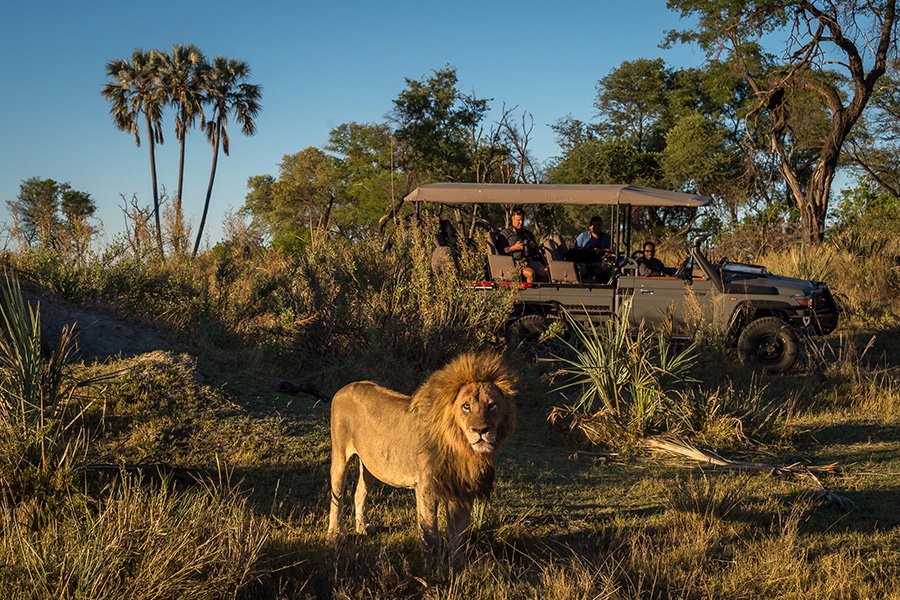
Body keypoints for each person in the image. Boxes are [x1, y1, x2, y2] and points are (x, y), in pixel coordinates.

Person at [499, 208, 547, 283]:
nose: (521, 222)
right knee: (530, 273)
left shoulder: (527, 234)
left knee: (545, 272)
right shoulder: (505, 234)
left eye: (522, 220)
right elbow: (501, 251)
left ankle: (539, 290)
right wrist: (514, 248)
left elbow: (537, 250)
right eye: (518, 220)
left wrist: (534, 246)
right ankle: (529, 293)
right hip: (515, 263)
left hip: (528, 261)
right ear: (512, 218)